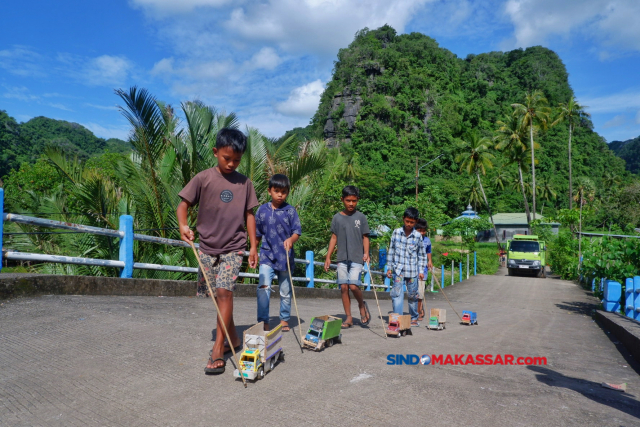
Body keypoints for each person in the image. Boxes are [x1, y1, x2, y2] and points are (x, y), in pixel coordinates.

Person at [177, 128, 259, 375]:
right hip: (207, 248)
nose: (232, 164)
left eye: (237, 160)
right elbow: (183, 205)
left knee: (224, 292)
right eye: (227, 158)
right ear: (215, 153)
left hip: (234, 247)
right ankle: (233, 339)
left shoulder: (245, 183)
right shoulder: (203, 178)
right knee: (219, 298)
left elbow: (249, 215)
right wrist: (183, 226)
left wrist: (253, 246)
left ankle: (217, 348)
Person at [255, 174, 302, 332]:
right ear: (270, 191)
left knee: (285, 291)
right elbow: (256, 233)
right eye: (276, 191)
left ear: (287, 192)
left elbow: (297, 231)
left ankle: (284, 319)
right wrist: (253, 251)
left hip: (285, 258)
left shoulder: (290, 211)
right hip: (266, 255)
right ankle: (264, 321)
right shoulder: (262, 210)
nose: (280, 194)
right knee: (263, 288)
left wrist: (291, 240)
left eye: (284, 191)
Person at [324, 185, 371, 328]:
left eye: (354, 201)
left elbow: (365, 237)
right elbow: (333, 237)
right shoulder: (337, 218)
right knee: (344, 287)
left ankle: (362, 305)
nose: (351, 204)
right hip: (342, 257)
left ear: (357, 200)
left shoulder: (361, 217)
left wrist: (367, 253)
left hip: (357, 257)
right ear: (342, 200)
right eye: (348, 200)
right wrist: (328, 256)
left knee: (353, 285)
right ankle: (348, 317)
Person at [386, 207, 427, 327]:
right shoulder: (396, 232)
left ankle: (413, 317)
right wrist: (389, 267)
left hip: (413, 271)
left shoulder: (417, 236)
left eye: (412, 222)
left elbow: (422, 255)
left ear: (416, 222)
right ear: (403, 219)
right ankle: (397, 318)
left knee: (412, 295)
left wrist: (421, 271)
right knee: (397, 293)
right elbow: (391, 251)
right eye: (407, 221)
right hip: (398, 270)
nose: (409, 224)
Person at [415, 218, 433, 321]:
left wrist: (429, 260)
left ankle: (419, 311)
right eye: (419, 230)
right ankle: (416, 310)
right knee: (413, 293)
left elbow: (428, 251)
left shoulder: (427, 241)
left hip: (423, 270)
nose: (422, 233)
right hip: (412, 271)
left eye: (423, 230)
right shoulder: (412, 240)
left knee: (420, 293)